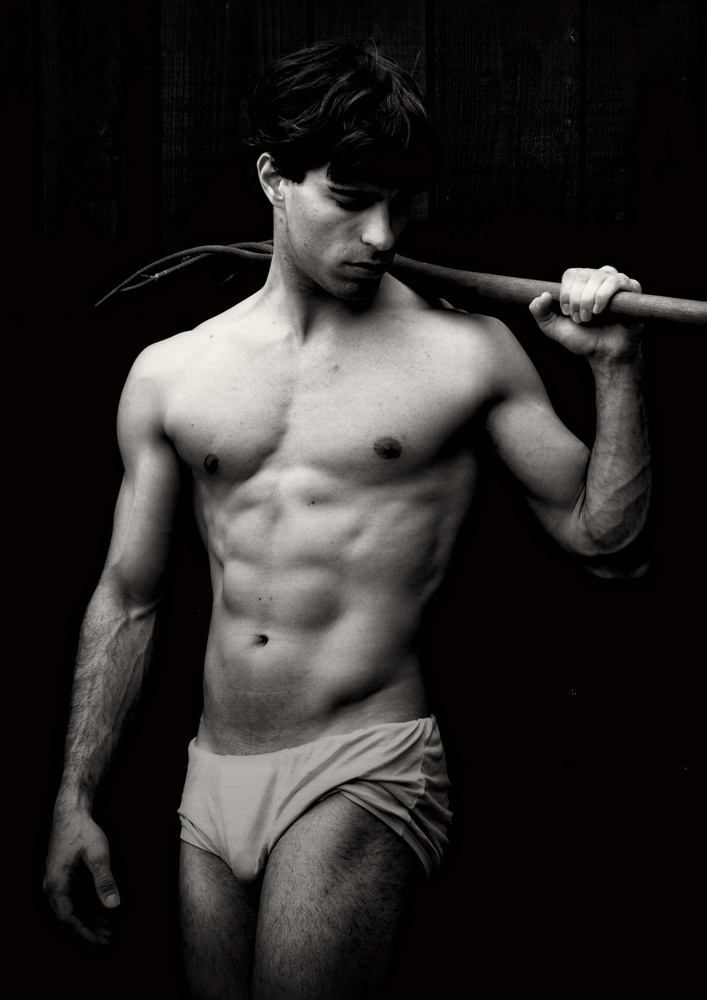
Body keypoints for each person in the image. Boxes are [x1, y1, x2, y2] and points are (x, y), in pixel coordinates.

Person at [44, 41, 650, 999]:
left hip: (363, 760)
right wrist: (73, 798)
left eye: (399, 206)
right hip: (211, 781)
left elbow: (608, 545)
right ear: (272, 179)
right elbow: (129, 596)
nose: (380, 236)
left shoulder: (464, 355)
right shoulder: (171, 372)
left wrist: (614, 366)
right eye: (351, 198)